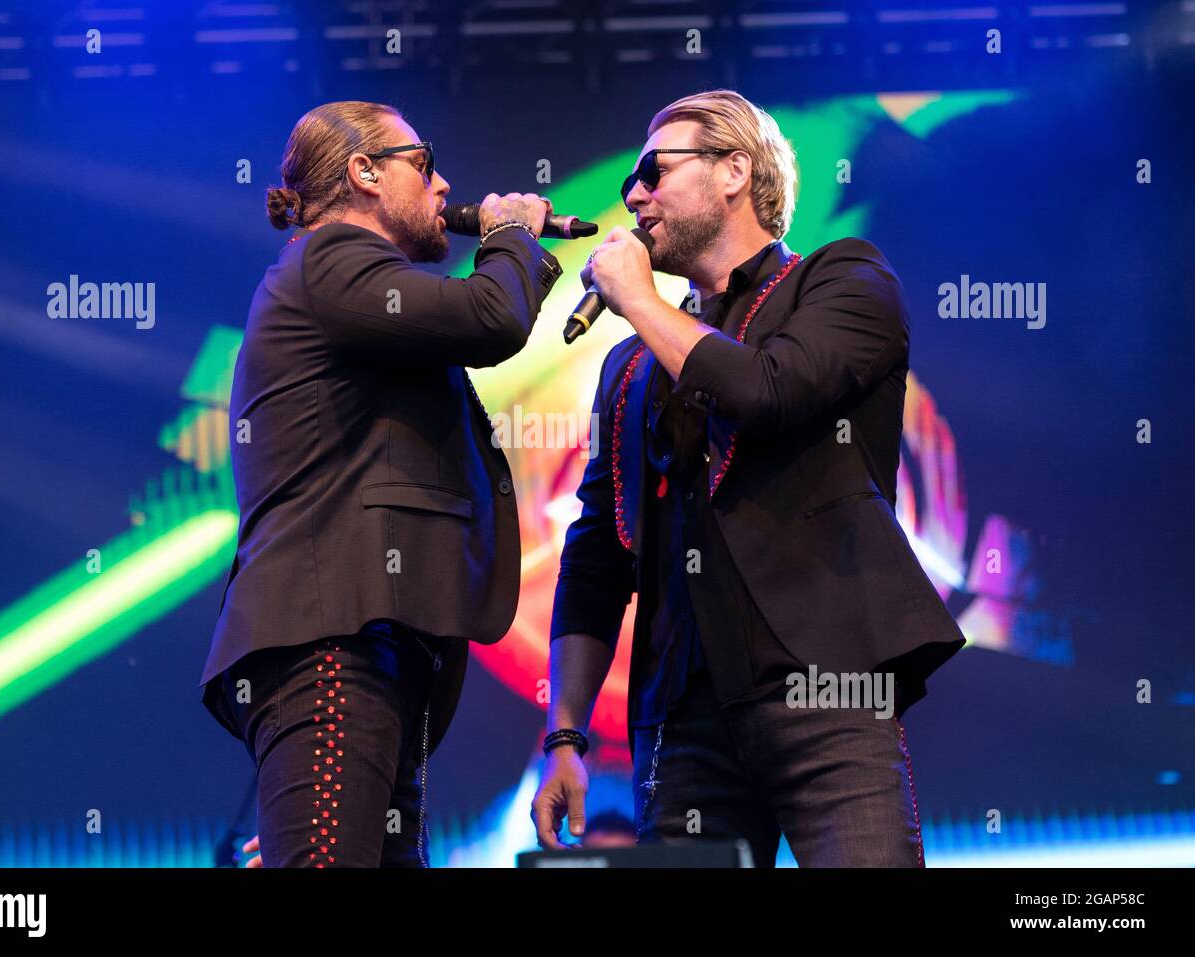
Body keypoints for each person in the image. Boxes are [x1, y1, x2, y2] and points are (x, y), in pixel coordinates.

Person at [533, 90, 966, 866]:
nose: (633, 194)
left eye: (654, 170)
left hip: (827, 688)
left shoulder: (841, 281)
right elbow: (596, 558)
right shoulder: (630, 367)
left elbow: (772, 391)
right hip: (681, 720)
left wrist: (635, 298)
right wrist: (564, 733)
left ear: (735, 170)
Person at [200, 100, 562, 867]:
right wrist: (510, 236)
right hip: (333, 640)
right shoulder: (332, 256)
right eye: (423, 163)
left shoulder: (350, 294)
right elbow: (490, 314)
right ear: (363, 172)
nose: (444, 185)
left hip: (372, 648)